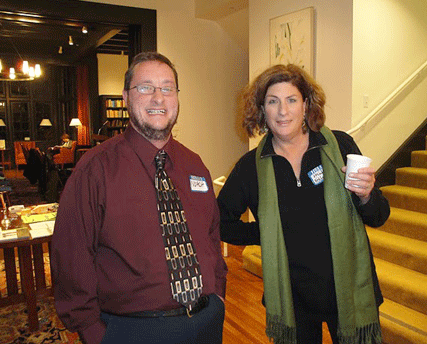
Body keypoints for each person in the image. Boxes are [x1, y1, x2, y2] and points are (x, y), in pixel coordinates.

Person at [51, 52, 227, 344]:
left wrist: (218, 293)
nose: (158, 97)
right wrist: (93, 333)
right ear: (125, 97)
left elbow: (211, 234)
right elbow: (72, 257)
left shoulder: (194, 165)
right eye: (145, 87)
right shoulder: (95, 170)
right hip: (134, 330)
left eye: (167, 88)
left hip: (206, 323)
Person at [217, 64, 390, 344]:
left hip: (348, 291)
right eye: (273, 101)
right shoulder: (251, 168)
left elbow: (379, 215)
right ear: (262, 110)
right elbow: (220, 222)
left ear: (306, 104)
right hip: (292, 299)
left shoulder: (339, 147)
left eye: (292, 100)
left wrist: (367, 195)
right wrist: (265, 233)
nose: (283, 111)